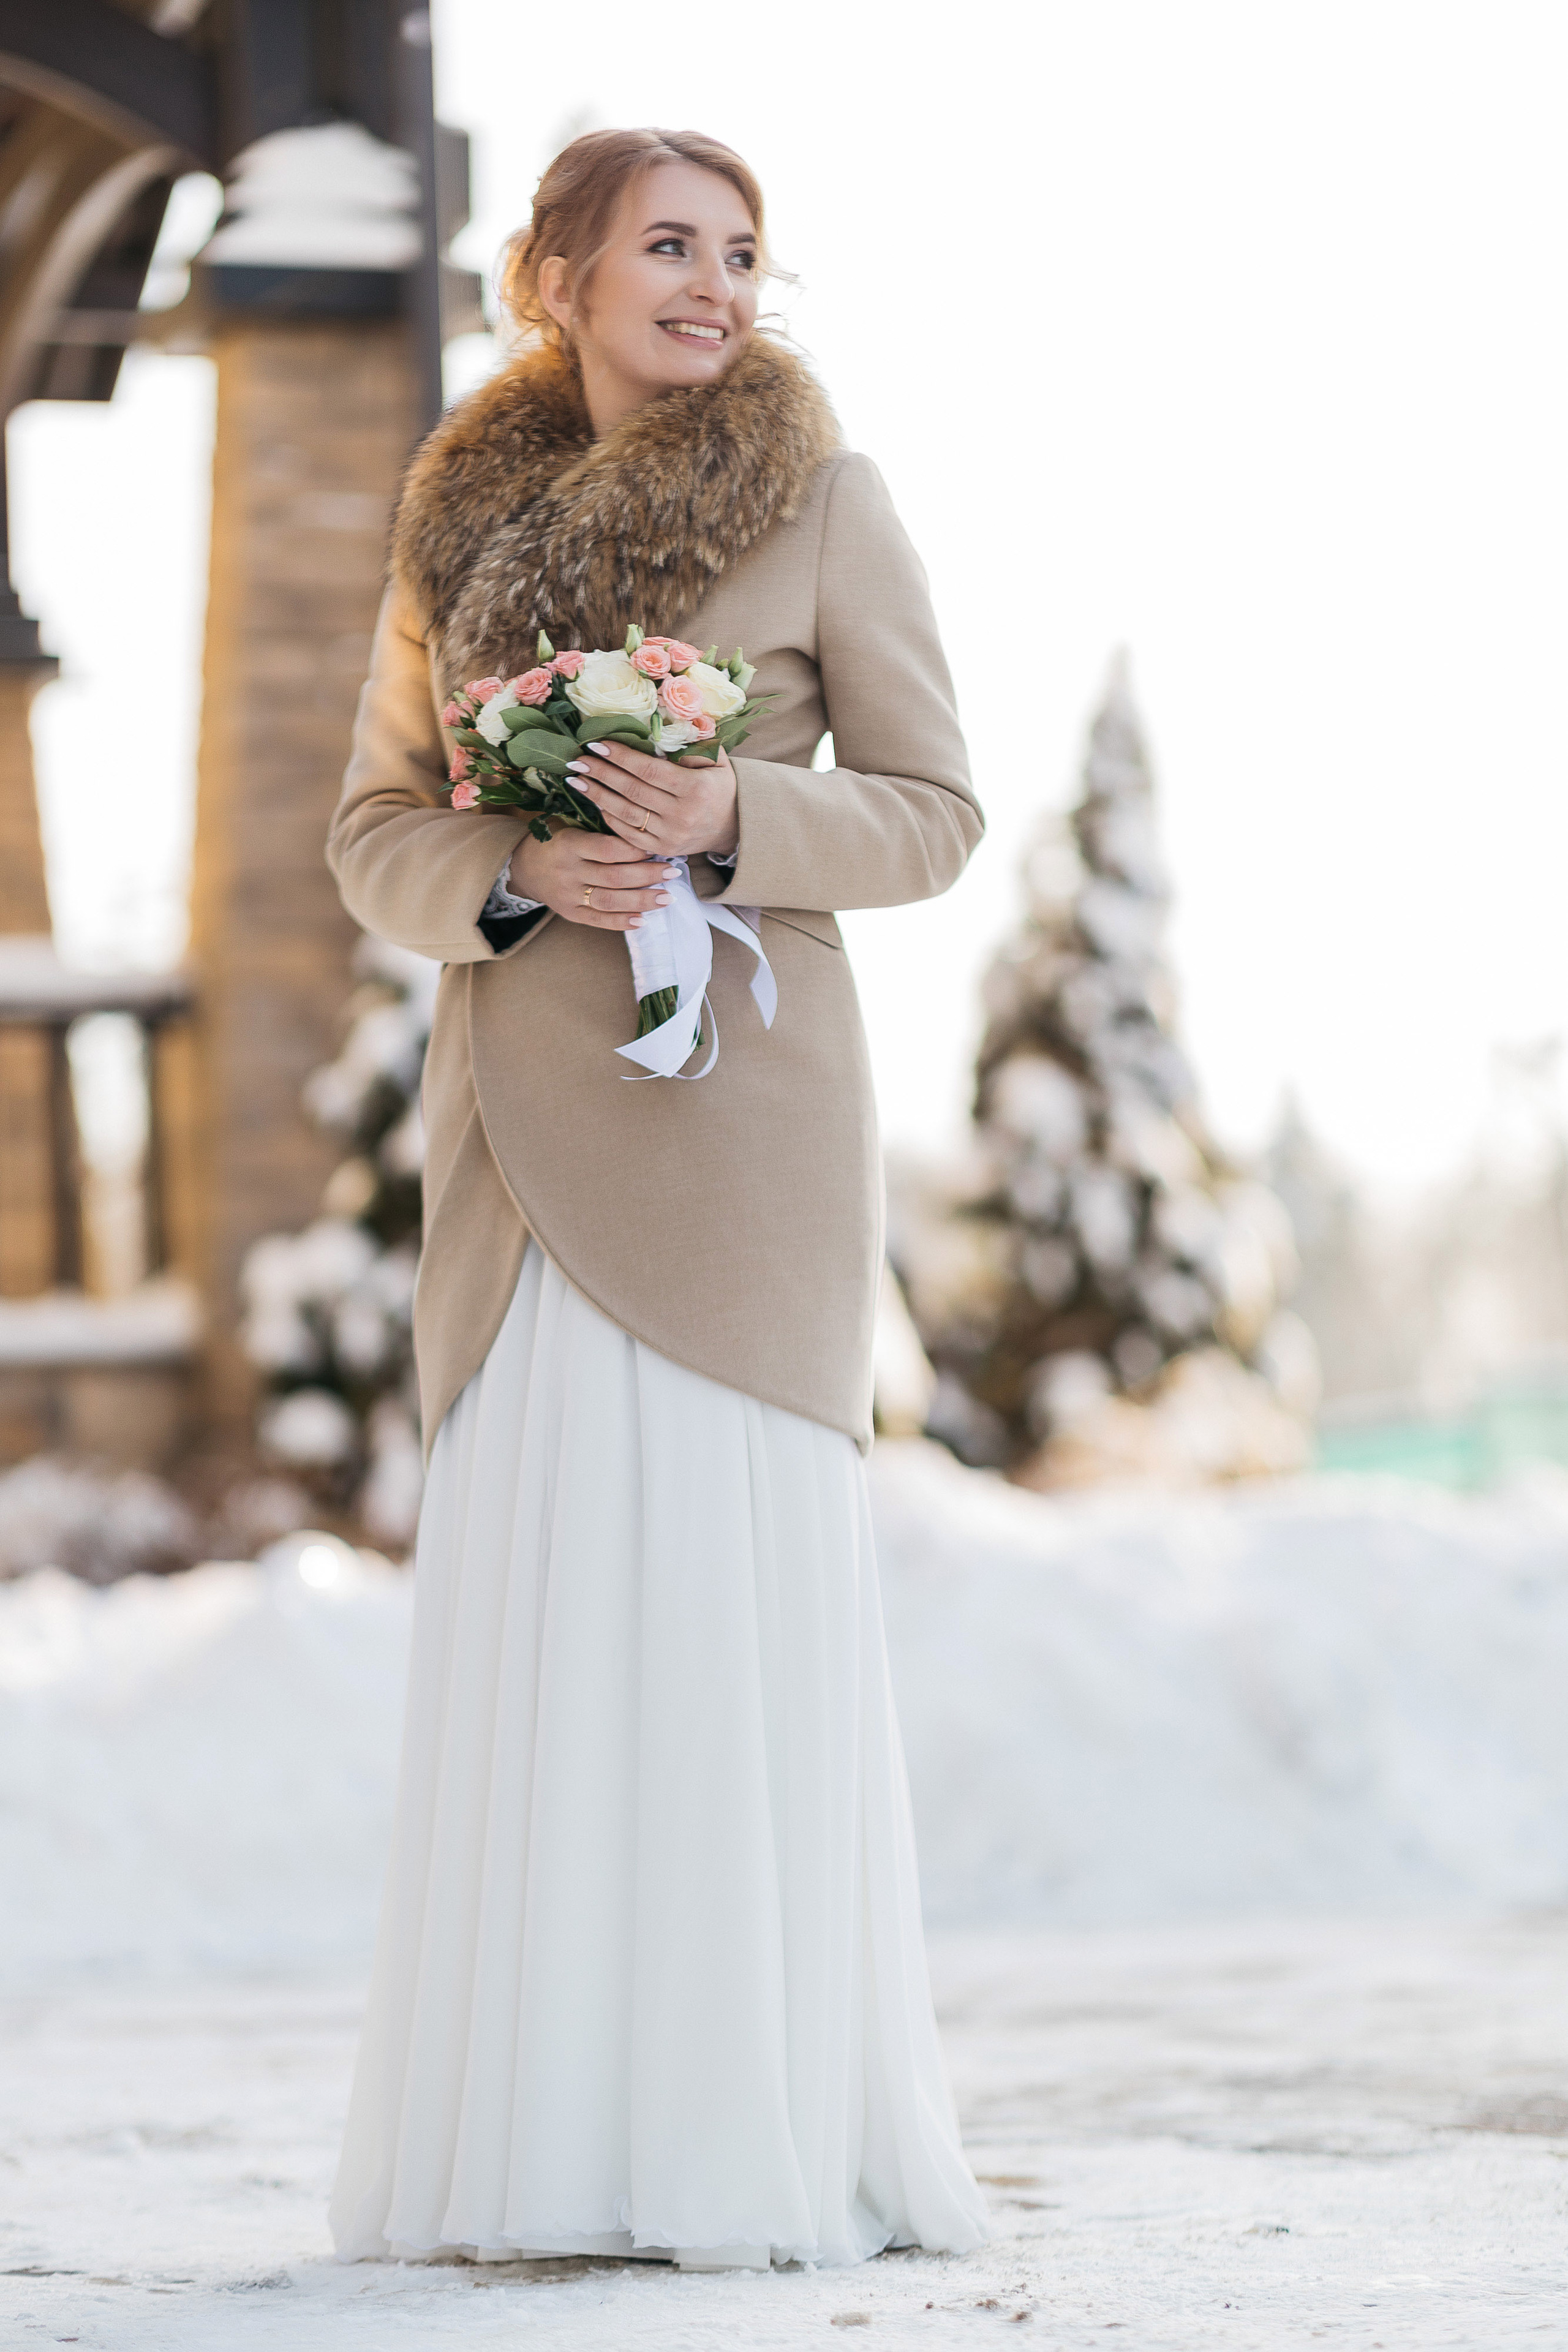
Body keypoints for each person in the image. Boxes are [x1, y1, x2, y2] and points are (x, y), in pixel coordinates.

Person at [326, 125, 989, 2273]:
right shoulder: (455, 528)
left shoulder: (825, 499)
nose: (713, 285)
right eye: (667, 247)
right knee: (552, 1619)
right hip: (520, 1146)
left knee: (717, 1620)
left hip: (741, 1140)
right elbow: (368, 837)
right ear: (557, 277)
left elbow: (935, 814)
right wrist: (513, 880)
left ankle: (751, 2142)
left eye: (740, 252)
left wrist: (726, 820)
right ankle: (540, 2158)